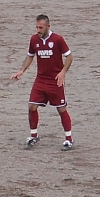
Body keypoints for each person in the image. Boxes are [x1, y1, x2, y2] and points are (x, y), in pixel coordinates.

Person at [10, 14, 74, 150]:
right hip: (40, 80)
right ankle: (33, 136)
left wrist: (63, 72)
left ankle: (69, 139)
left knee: (61, 109)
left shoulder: (58, 39)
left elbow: (69, 56)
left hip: (55, 81)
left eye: (41, 27)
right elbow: (30, 56)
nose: (38, 30)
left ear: (48, 26)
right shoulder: (34, 40)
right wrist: (21, 71)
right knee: (32, 106)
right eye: (37, 27)